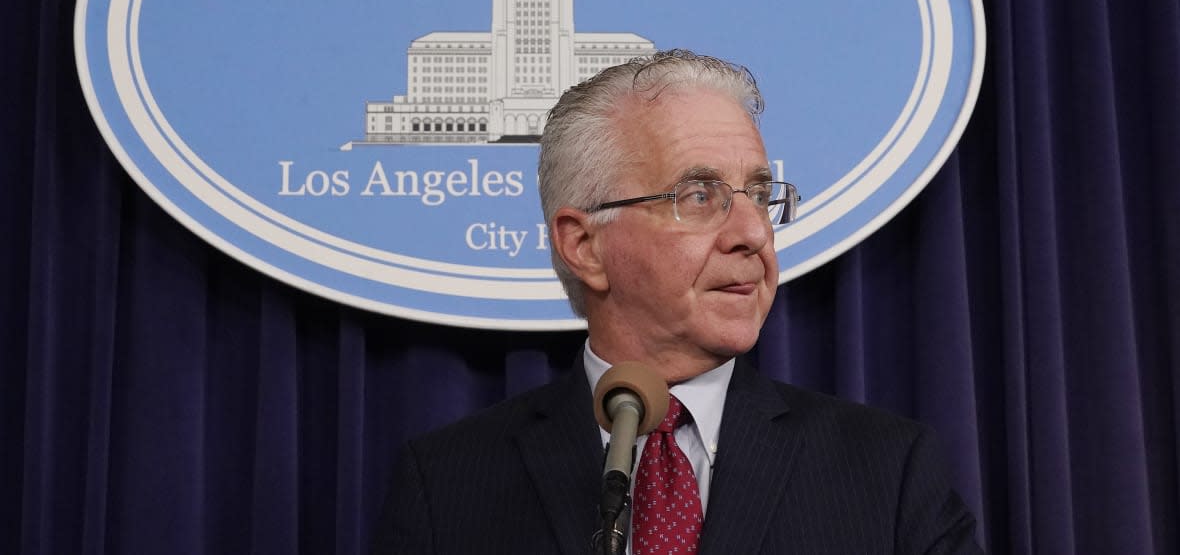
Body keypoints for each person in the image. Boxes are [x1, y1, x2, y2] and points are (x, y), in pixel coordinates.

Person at [370, 50, 982, 554]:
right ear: (585, 245)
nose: (753, 233)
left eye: (760, 194)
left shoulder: (886, 470)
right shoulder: (447, 483)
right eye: (699, 195)